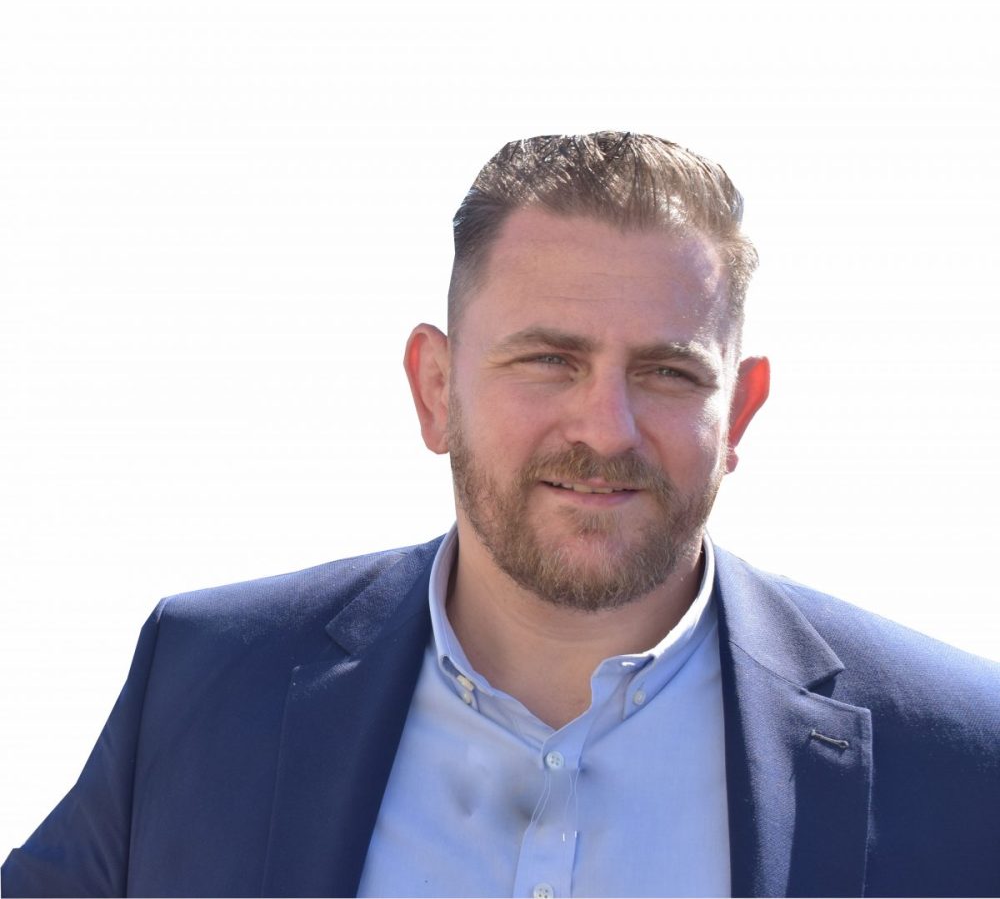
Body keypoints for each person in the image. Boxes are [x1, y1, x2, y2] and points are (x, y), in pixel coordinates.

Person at [3, 132, 998, 899]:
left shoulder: (960, 757)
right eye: (548, 360)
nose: (605, 427)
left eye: (666, 372)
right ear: (435, 388)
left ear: (738, 412)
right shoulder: (210, 680)